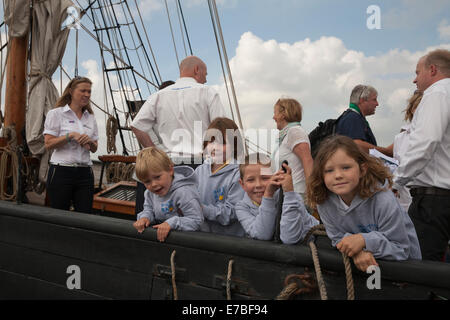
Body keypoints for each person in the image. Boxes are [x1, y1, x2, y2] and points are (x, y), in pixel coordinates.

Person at [306, 135, 421, 272]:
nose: (337, 175)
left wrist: (364, 241)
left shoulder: (383, 200)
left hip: (403, 272)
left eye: (346, 167)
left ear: (362, 169)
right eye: (329, 170)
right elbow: (337, 238)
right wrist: (357, 251)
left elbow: (401, 249)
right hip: (365, 269)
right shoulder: (324, 202)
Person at [393, 49, 450, 261]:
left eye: (418, 72)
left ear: (433, 70)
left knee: (423, 268)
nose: (414, 79)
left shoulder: (437, 92)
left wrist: (395, 182)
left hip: (434, 200)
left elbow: (426, 142)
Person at [131, 56, 226, 167]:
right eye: (205, 75)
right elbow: (221, 128)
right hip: (202, 163)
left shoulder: (157, 96)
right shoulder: (208, 92)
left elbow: (137, 126)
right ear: (196, 69)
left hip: (169, 165)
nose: (205, 80)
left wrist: (156, 154)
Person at [44, 76, 98, 214]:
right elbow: (48, 144)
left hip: (85, 173)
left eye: (89, 91)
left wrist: (90, 142)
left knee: (85, 214)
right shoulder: (56, 114)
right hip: (61, 172)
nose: (87, 94)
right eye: (83, 91)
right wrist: (70, 136)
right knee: (59, 215)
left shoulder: (90, 118)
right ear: (71, 91)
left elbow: (95, 148)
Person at [235, 153, 318, 244]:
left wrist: (288, 192)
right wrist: (268, 196)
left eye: (265, 178)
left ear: (275, 178)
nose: (258, 185)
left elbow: (290, 238)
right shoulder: (241, 207)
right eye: (251, 180)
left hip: (312, 246)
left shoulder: (291, 198)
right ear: (242, 184)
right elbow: (262, 234)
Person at [133, 147, 203, 242]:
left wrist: (171, 223)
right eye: (147, 181)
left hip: (190, 240)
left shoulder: (184, 192)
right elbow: (149, 209)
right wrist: (145, 217)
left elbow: (196, 221)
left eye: (157, 177)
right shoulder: (149, 193)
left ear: (170, 170)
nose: (153, 184)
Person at [195, 117, 246, 236]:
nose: (215, 147)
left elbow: (232, 213)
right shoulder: (199, 172)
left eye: (222, 143)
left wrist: (202, 209)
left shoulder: (238, 173)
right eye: (211, 141)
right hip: (202, 239)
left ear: (234, 145)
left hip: (229, 243)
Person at [135, 80, 175, 216]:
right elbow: (139, 129)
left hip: (165, 171)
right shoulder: (149, 114)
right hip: (154, 171)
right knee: (144, 212)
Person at [386, 90, 423, 212]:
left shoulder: (439, 135)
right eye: (419, 107)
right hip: (403, 199)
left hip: (429, 197)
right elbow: (396, 166)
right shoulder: (400, 138)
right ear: (412, 109)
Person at [271, 98, 313, 198]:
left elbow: (307, 160)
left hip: (297, 194)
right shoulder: (286, 134)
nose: (273, 117)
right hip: (287, 193)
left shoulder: (294, 132)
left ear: (283, 114)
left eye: (275, 113)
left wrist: (312, 192)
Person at [336, 85, 392, 156]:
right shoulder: (352, 118)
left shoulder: (353, 117)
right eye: (374, 100)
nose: (377, 104)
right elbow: (357, 144)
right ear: (362, 100)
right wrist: (387, 152)